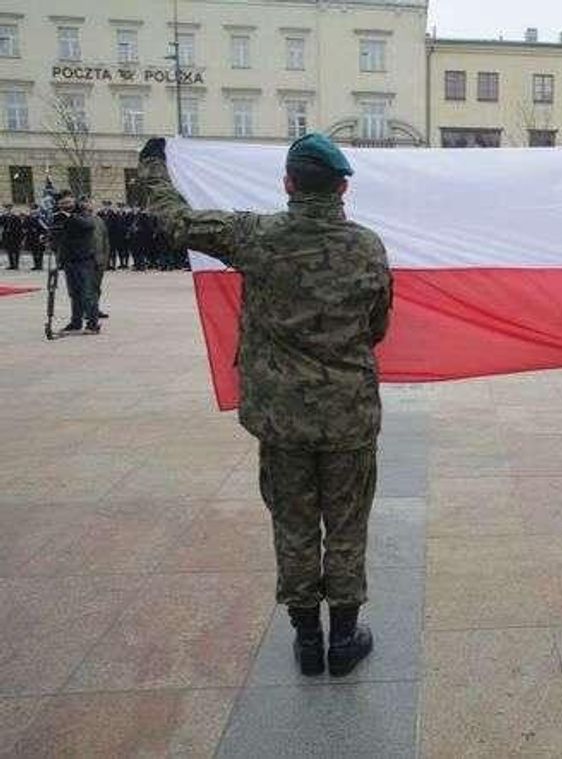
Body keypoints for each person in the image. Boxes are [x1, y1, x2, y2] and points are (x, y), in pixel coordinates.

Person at [138, 133, 393, 677]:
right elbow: (377, 328)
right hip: (348, 415)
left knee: (294, 526)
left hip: (282, 420)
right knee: (347, 526)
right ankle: (344, 640)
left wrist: (154, 167)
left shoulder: (254, 236)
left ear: (288, 184)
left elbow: (176, 222)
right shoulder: (368, 247)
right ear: (343, 188)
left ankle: (308, 642)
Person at [54, 190, 101, 334]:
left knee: (87, 293)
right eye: (62, 204)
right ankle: (76, 322)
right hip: (69, 260)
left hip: (84, 260)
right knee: (74, 294)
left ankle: (93, 325)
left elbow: (88, 225)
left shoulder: (82, 212)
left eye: (68, 202)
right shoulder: (58, 217)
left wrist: (70, 217)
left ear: (74, 201)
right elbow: (58, 234)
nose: (65, 206)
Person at [87, 198, 111, 319]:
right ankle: (88, 311)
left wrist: (106, 258)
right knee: (87, 287)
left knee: (96, 287)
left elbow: (105, 240)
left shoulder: (99, 220)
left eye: (91, 204)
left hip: (99, 259)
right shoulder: (80, 220)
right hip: (86, 260)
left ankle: (95, 309)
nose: (90, 206)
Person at [2, 204, 23, 270]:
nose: (8, 210)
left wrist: (19, 237)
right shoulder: (4, 217)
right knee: (9, 251)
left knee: (16, 251)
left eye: (9, 209)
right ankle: (11, 264)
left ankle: (16, 265)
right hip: (7, 236)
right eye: (6, 209)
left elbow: (19, 227)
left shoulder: (15, 217)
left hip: (15, 236)